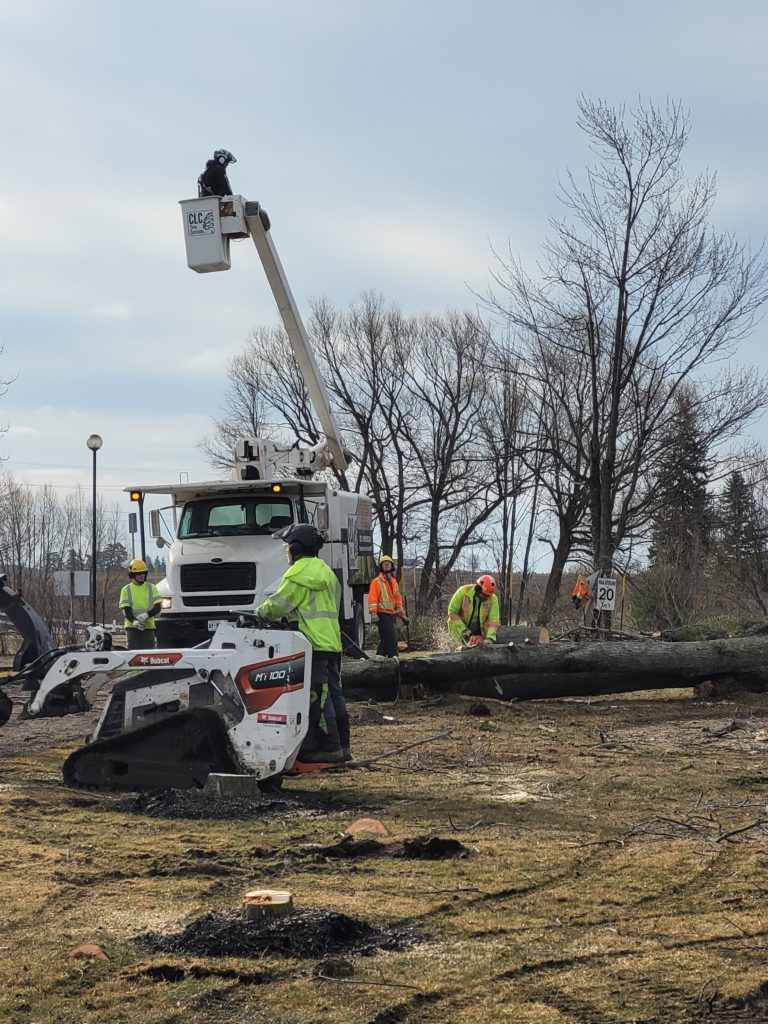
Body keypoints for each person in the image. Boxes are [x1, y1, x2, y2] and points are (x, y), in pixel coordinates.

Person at [254, 523, 351, 763]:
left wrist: (257, 613)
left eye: (287, 547)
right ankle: (344, 746)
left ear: (296, 548)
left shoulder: (298, 574)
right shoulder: (326, 571)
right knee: (334, 694)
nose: (285, 552)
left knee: (317, 697)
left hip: (312, 645)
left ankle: (330, 748)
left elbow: (277, 605)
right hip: (331, 643)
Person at [368, 554, 408, 657]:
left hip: (391, 615)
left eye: (388, 564)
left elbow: (398, 600)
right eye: (384, 564)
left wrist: (402, 615)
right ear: (381, 567)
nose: (386, 566)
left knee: (386, 638)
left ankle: (380, 657)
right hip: (381, 614)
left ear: (391, 566)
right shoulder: (376, 582)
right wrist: (373, 614)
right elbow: (372, 599)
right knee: (391, 637)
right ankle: (393, 657)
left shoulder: (394, 582)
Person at [447, 575, 500, 648]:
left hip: (479, 629)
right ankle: (457, 645)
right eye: (484, 595)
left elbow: (493, 621)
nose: (486, 598)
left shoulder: (493, 599)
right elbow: (452, 613)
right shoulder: (463, 592)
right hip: (460, 626)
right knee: (460, 649)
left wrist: (489, 638)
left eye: (488, 596)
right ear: (478, 589)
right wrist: (465, 631)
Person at [119, 559, 162, 650]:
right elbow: (126, 610)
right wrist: (134, 620)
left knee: (148, 654)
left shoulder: (152, 588)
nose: (142, 575)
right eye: (139, 573)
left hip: (148, 627)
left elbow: (158, 607)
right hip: (132, 627)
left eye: (143, 573)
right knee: (133, 654)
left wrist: (146, 615)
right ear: (133, 575)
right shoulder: (126, 590)